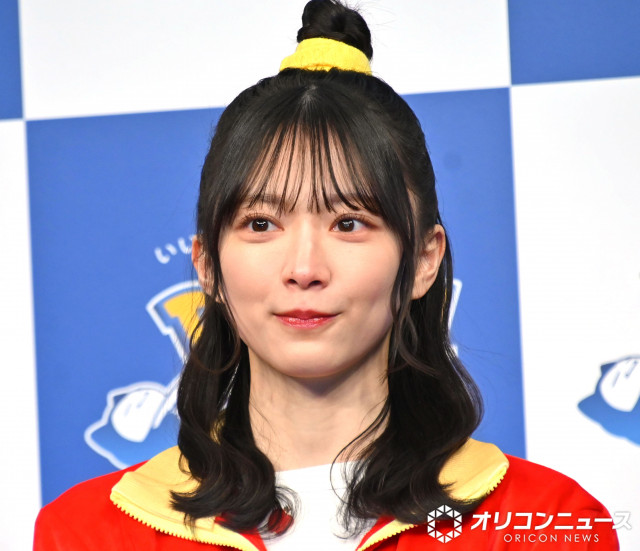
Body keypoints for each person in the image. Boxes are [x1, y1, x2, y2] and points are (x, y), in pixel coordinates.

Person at [34, 1, 619, 549]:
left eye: (349, 223)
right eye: (261, 223)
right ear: (207, 264)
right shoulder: (85, 532)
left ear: (424, 259)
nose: (305, 269)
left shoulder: (544, 520)